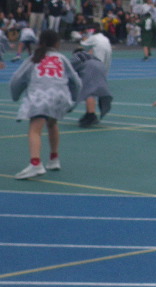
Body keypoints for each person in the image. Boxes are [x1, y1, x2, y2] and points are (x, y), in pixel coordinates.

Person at [9, 29, 81, 179]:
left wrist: (15, 96)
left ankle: (35, 164)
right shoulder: (61, 58)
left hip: (40, 97)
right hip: (60, 96)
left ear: (40, 42)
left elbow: (17, 78)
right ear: (57, 43)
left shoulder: (34, 58)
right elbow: (76, 81)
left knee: (34, 129)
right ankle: (54, 159)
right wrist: (72, 100)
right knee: (52, 123)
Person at [70, 49, 113, 127]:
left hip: (90, 67)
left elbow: (69, 70)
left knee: (88, 92)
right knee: (96, 90)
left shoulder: (76, 57)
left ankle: (91, 115)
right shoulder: (92, 56)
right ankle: (90, 113)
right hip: (101, 66)